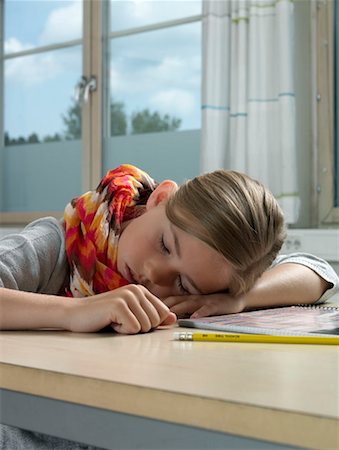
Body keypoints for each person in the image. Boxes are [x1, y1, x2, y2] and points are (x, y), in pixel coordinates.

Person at [0, 164, 338, 334]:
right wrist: (72, 313)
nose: (155, 274)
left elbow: (317, 271)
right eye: (164, 245)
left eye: (184, 284)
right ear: (160, 198)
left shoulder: (216, 270)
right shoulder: (58, 243)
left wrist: (239, 298)